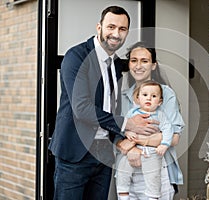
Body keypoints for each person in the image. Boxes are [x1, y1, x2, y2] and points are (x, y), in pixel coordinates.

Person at [48, 7, 159, 200]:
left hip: (104, 155)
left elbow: (110, 105)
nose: (116, 34)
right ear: (99, 27)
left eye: (122, 29)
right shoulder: (76, 56)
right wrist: (127, 123)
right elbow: (81, 109)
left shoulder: (116, 64)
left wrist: (118, 139)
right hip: (75, 153)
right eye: (111, 27)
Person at [116, 41, 185, 199]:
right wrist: (129, 149)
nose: (138, 65)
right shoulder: (122, 96)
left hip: (159, 171)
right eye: (134, 60)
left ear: (154, 65)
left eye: (144, 61)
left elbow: (173, 138)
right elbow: (115, 133)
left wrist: (134, 141)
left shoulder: (166, 95)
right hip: (128, 173)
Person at [116, 80, 173, 200]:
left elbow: (168, 130)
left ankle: (153, 196)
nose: (149, 99)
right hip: (132, 151)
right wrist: (128, 132)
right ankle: (123, 194)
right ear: (138, 98)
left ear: (160, 102)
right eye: (145, 95)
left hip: (151, 152)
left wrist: (164, 144)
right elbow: (124, 126)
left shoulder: (160, 115)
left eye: (154, 96)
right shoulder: (132, 113)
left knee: (153, 176)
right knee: (122, 169)